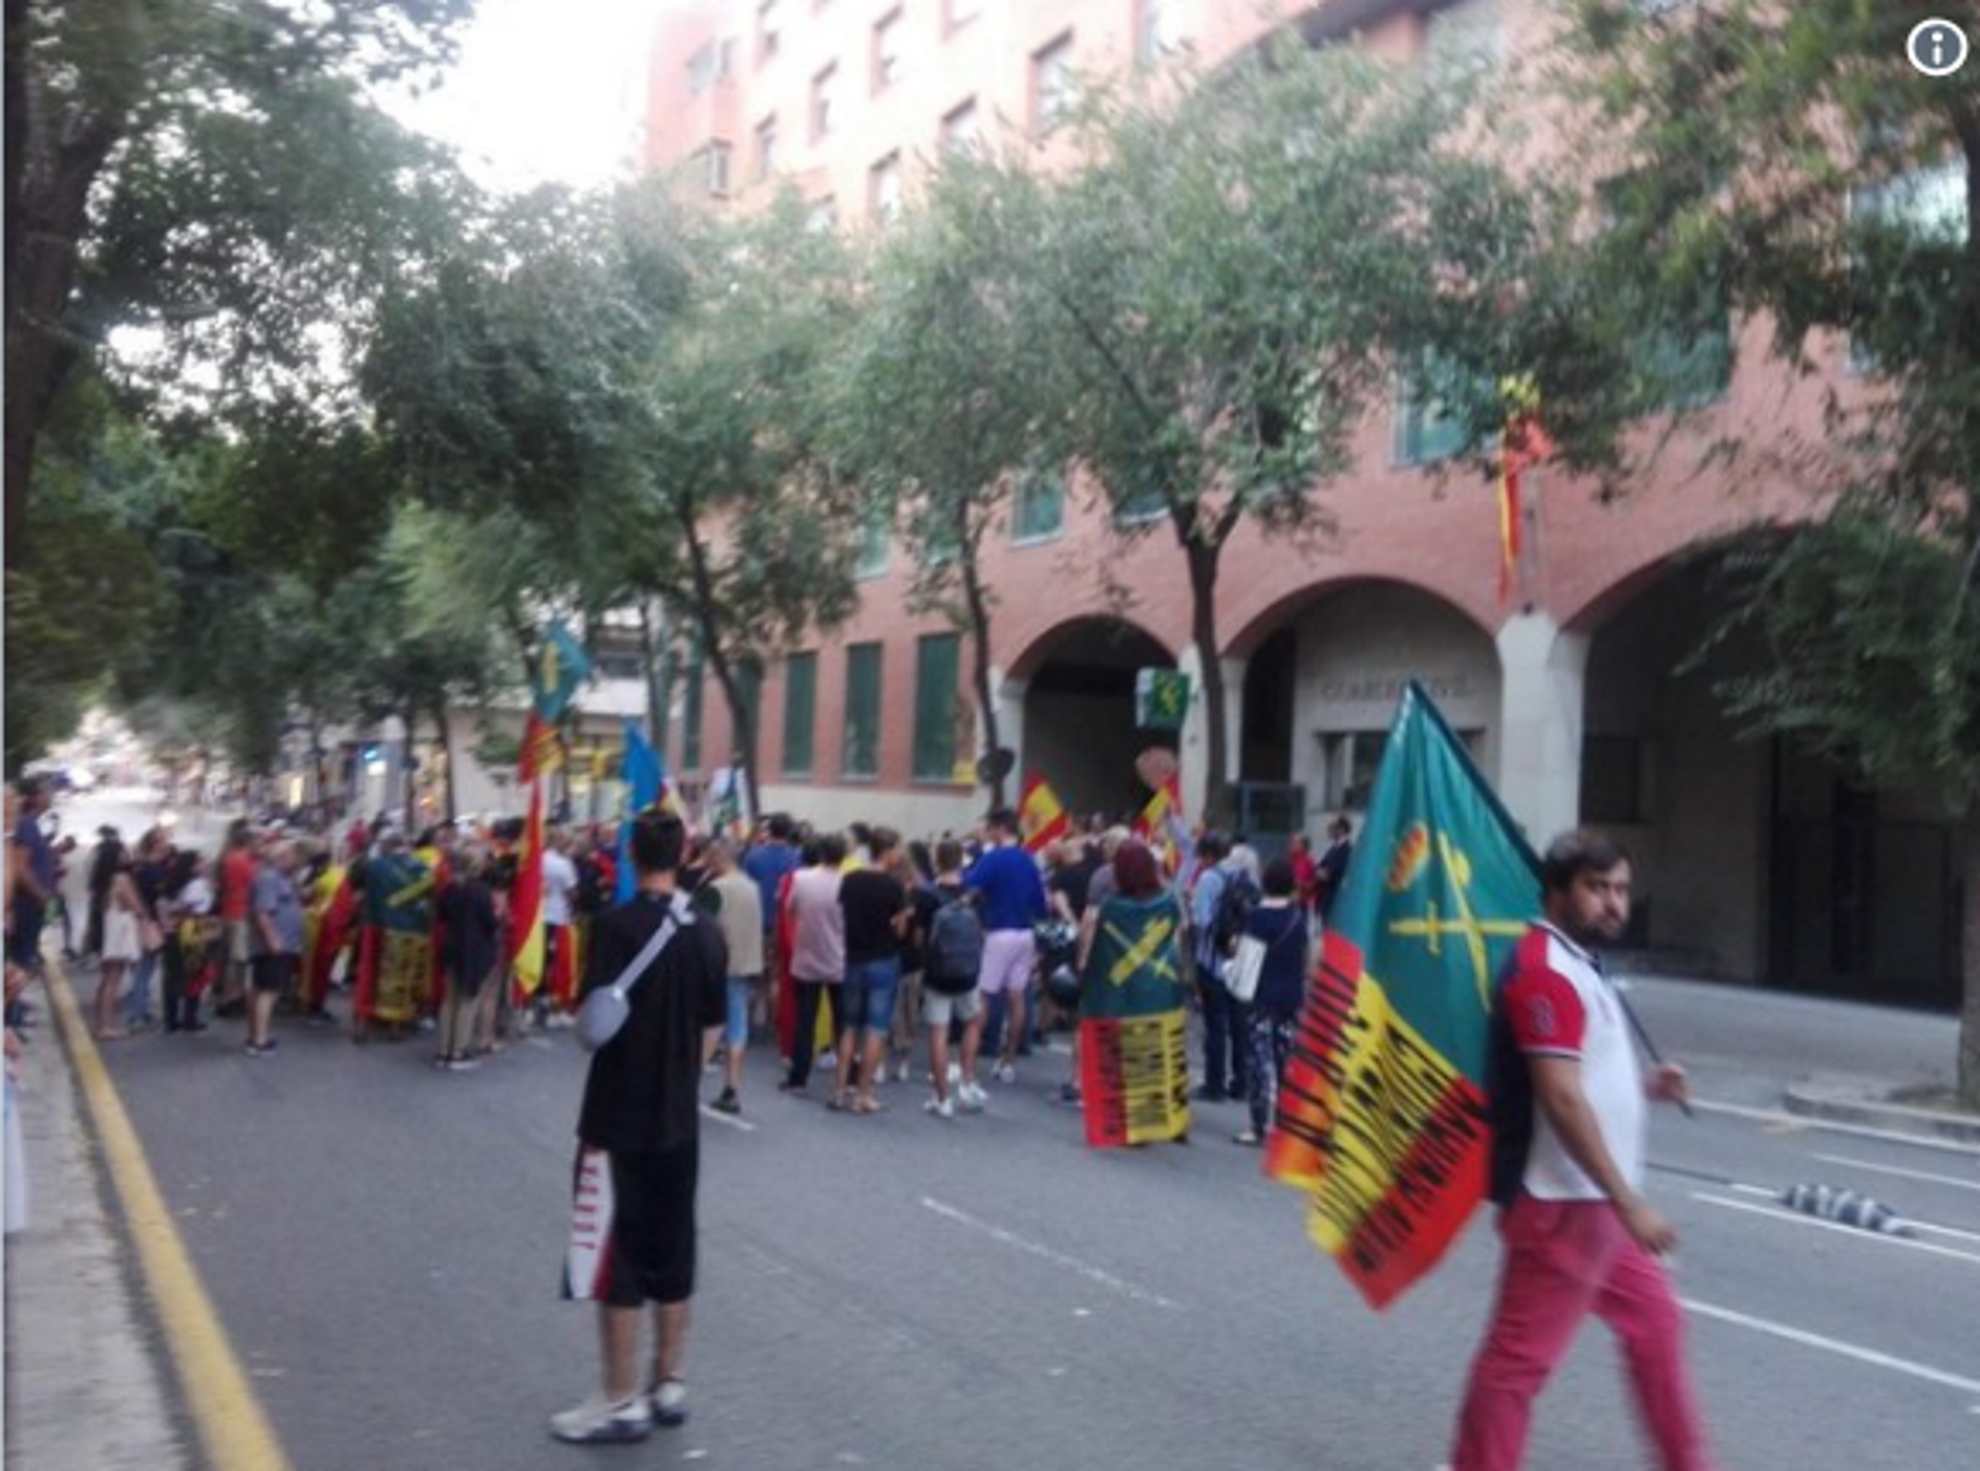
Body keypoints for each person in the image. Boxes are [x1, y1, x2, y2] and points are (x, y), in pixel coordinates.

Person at [1449, 830, 1711, 1471]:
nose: (1613, 903)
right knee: (1517, 1364)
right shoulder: (1545, 972)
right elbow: (1561, 1099)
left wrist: (1645, 1088)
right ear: (1557, 892)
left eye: (1620, 889)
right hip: (1566, 1201)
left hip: (1595, 1205)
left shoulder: (1578, 963)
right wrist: (1631, 1205)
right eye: (1597, 889)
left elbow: (1582, 1080)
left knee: (1656, 1328)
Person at [550, 811, 726, 1445]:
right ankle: (669, 1380)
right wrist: (684, 1074)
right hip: (680, 1118)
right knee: (674, 1246)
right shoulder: (707, 932)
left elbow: (593, 1019)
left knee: (614, 1257)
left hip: (616, 1115)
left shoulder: (615, 927)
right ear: (683, 853)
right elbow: (714, 1024)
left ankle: (619, 1398)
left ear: (630, 853)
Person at [1076, 840, 1191, 1149]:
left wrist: (1090, 981)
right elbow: (1177, 943)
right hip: (1160, 984)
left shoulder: (1113, 908)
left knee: (1124, 1051)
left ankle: (1129, 1122)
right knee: (1159, 1051)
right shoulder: (1168, 902)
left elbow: (1102, 955)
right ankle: (1164, 1120)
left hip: (1123, 990)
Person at [964, 808, 1048, 1084]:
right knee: (1017, 997)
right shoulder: (1029, 859)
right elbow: (1040, 902)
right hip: (1025, 932)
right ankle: (1008, 1061)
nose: (987, 833)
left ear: (1000, 829)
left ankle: (969, 1066)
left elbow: (970, 884)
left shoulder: (994, 857)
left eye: (990, 828)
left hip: (999, 931)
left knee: (984, 997)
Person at [1234, 856, 1310, 1147]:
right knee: (1286, 1061)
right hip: (1290, 997)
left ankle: (1257, 1126)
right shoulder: (1298, 916)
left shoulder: (1257, 917)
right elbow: (1306, 959)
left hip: (1262, 997)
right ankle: (1286, 1125)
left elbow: (1247, 958)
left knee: (1258, 1061)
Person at [835, 826, 906, 1114]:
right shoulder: (894, 886)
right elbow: (901, 929)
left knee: (849, 1026)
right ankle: (863, 1094)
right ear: (887, 852)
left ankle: (839, 1090)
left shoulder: (850, 880)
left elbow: (841, 917)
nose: (900, 855)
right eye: (897, 850)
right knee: (876, 1029)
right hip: (883, 960)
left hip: (853, 958)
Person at [916, 839, 985, 1118]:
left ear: (937, 860)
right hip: (968, 970)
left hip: (937, 972)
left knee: (938, 1032)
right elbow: (982, 930)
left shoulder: (927, 895)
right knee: (971, 1023)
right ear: (961, 861)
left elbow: (919, 937)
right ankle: (967, 1083)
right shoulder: (974, 892)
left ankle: (941, 1098)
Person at [779, 833, 846, 1096]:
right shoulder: (846, 883)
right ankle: (846, 1078)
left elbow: (790, 908)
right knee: (843, 1021)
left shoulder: (801, 879)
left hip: (806, 956)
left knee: (804, 1021)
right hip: (837, 958)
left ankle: (798, 1078)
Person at [702, 838, 762, 1114]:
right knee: (737, 1028)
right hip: (744, 964)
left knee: (709, 1024)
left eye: (709, 858)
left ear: (718, 857)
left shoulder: (716, 889)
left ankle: (689, 1081)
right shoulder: (752, 886)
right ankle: (731, 1088)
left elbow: (697, 924)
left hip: (715, 965)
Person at [436, 846, 500, 1071]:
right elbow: (490, 923)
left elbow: (441, 914)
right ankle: (458, 1052)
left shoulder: (450, 888)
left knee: (448, 1001)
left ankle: (444, 1050)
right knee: (467, 1000)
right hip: (473, 949)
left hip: (452, 946)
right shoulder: (480, 890)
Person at [246, 841, 305, 1056]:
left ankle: (256, 1036)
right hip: (273, 945)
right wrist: (273, 939)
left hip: (277, 943)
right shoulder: (269, 878)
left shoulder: (279, 878)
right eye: (290, 854)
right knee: (268, 991)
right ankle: (260, 1041)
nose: (294, 859)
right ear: (280, 857)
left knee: (261, 989)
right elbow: (263, 912)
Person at [1314, 815, 1354, 924]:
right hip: (1325, 899)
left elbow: (1329, 875)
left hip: (1334, 901)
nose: (1330, 829)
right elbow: (1318, 868)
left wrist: (1321, 873)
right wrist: (1319, 872)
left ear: (1341, 829)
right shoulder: (1333, 848)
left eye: (1333, 826)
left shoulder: (1346, 850)